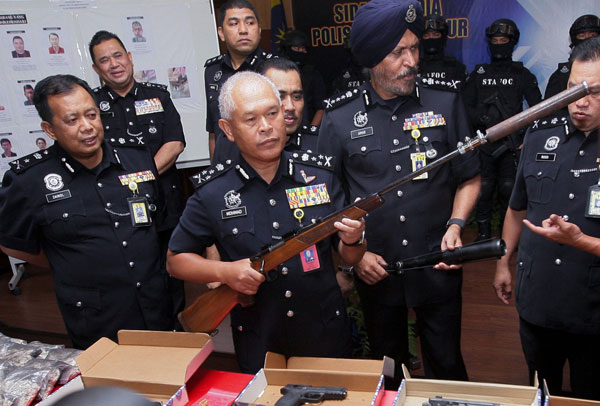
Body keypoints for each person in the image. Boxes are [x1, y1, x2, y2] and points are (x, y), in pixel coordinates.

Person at [317, 0, 480, 382]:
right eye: (397, 53)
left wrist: (456, 225)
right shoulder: (339, 119)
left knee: (447, 362)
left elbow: (470, 176)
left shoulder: (445, 101)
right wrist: (354, 259)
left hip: (437, 262)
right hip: (377, 269)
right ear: (373, 61)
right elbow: (328, 199)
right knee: (388, 367)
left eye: (414, 48)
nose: (411, 61)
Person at [168, 71, 366, 373]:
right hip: (259, 336)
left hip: (324, 331)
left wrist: (355, 240)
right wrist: (225, 271)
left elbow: (349, 255)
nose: (266, 127)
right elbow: (176, 260)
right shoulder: (214, 192)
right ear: (228, 129)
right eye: (250, 120)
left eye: (272, 114)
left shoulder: (320, 176)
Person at [0, 74, 173, 349]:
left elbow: (156, 224)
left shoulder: (136, 158)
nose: (87, 127)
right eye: (72, 120)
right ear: (50, 129)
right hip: (97, 320)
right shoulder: (28, 180)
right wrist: (64, 259)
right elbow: (13, 243)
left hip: (156, 308)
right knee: (109, 390)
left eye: (91, 115)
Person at [494, 37, 600, 401]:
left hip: (593, 314)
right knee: (542, 391)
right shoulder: (540, 137)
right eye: (574, 89)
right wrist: (504, 261)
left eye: (594, 92)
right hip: (538, 304)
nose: (581, 101)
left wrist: (580, 241)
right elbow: (515, 207)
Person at [89, 30, 186, 322]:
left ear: (130, 58)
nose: (114, 64)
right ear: (96, 69)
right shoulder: (91, 107)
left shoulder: (158, 95)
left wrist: (143, 176)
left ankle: (177, 331)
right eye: (104, 60)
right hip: (120, 211)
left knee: (173, 268)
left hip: (165, 204)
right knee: (136, 275)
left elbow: (175, 142)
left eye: (118, 55)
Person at [463, 19, 542, 241]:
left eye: (503, 41)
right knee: (484, 188)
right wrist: (483, 118)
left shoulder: (521, 74)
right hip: (484, 142)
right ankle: (484, 232)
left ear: (512, 43)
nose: (499, 44)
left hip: (511, 144)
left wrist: (525, 135)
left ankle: (508, 236)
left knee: (509, 188)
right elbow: (463, 107)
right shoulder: (479, 73)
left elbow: (537, 108)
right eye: (495, 41)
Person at [205, 0, 273, 163]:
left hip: (265, 168)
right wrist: (215, 173)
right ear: (221, 33)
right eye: (234, 24)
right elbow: (214, 132)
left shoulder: (274, 69)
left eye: (250, 23)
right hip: (227, 171)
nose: (243, 30)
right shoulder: (212, 71)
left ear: (259, 29)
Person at [544, 14, 600, 100]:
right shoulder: (561, 75)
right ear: (574, 40)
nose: (587, 40)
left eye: (592, 36)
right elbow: (551, 111)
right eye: (582, 36)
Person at [279, 30, 326, 127]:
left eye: (303, 49)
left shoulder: (312, 73)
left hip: (307, 127)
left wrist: (310, 132)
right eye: (297, 48)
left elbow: (321, 108)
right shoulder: (276, 73)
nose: (301, 52)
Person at [419, 14, 467, 91]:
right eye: (426, 35)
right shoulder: (414, 68)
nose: (431, 38)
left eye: (435, 35)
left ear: (443, 38)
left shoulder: (457, 68)